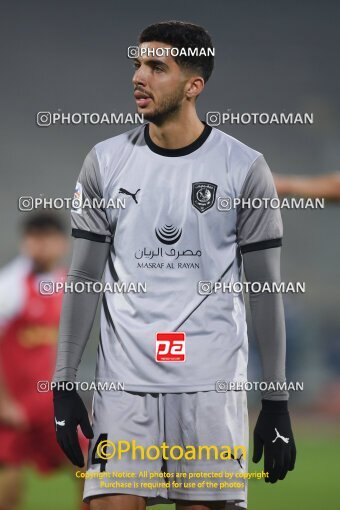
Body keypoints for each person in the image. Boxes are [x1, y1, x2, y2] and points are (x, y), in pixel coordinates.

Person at [53, 21, 296, 510]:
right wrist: (64, 381)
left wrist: (276, 400)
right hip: (124, 387)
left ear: (193, 85)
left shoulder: (244, 167)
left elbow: (265, 290)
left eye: (156, 67)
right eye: (137, 64)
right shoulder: (104, 162)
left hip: (209, 385)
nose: (139, 76)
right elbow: (82, 279)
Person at [0, 212, 87, 510]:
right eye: (35, 239)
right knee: (7, 485)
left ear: (62, 243)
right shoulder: (9, 286)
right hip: (14, 408)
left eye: (48, 239)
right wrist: (2, 401)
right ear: (26, 243)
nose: (42, 246)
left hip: (50, 404)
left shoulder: (67, 284)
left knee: (89, 469)